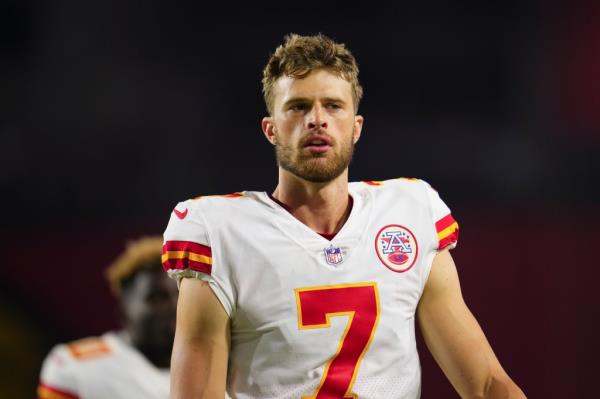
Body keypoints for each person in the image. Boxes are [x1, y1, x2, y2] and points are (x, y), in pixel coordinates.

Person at [162, 34, 526, 398]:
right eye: (298, 106)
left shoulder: (410, 211)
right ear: (270, 129)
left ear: (356, 127)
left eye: (333, 106)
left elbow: (487, 384)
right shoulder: (218, 231)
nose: (316, 120)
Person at [38, 236, 178, 399]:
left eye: (181, 295)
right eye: (158, 297)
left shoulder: (211, 369)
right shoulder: (79, 367)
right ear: (124, 310)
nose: (176, 306)